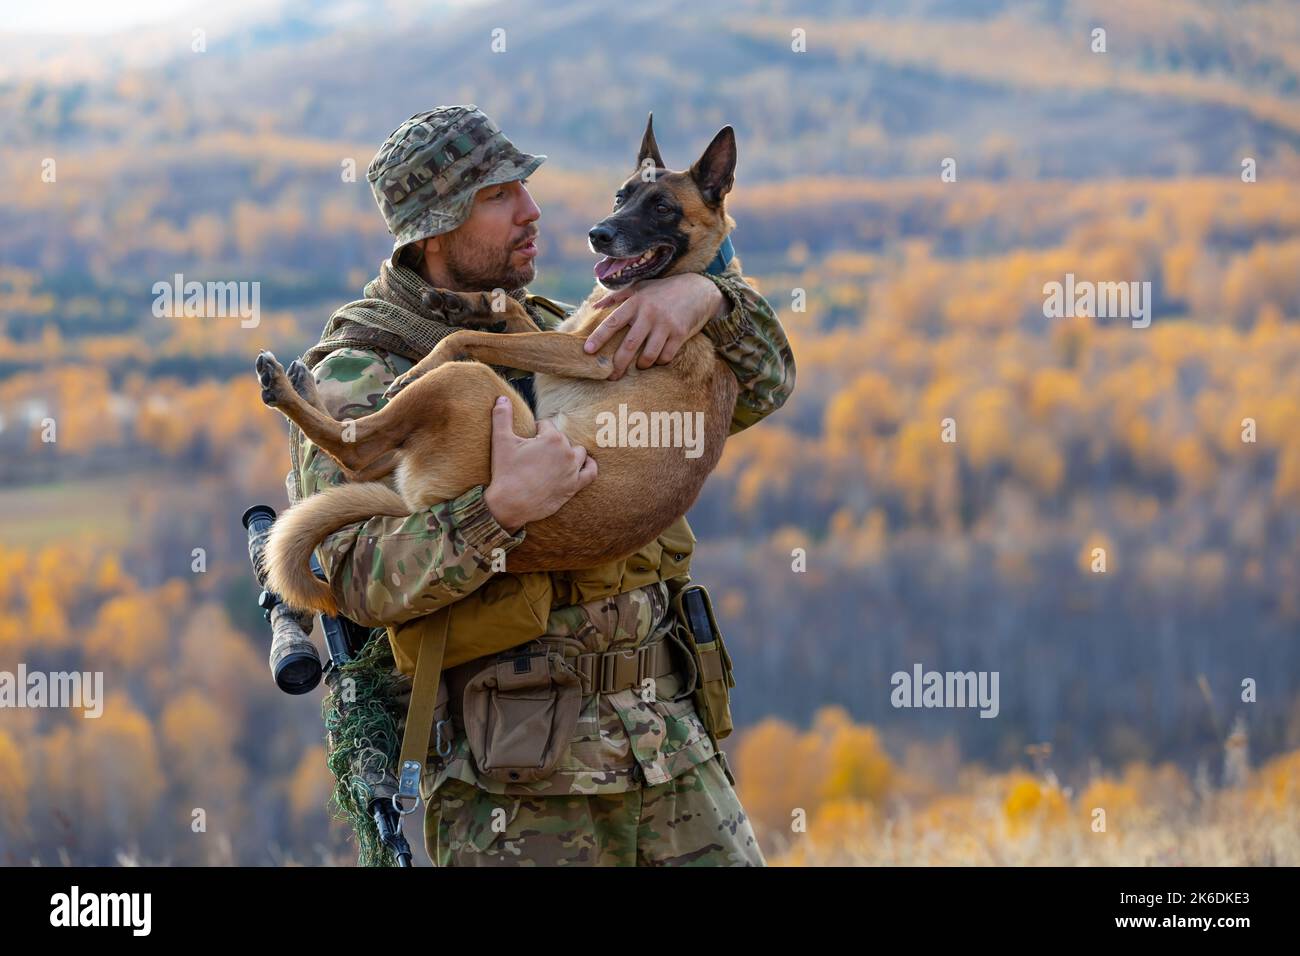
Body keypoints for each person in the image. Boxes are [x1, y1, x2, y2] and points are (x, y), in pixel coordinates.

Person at [289, 106, 795, 865]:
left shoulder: (562, 322)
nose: (533, 211)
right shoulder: (364, 374)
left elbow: (764, 387)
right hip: (518, 786)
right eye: (500, 197)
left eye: (525, 186)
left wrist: (714, 299)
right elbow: (361, 581)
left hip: (669, 748)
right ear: (434, 228)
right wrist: (494, 514)